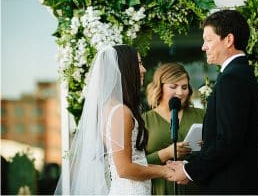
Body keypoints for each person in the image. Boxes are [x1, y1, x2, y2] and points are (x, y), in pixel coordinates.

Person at [167, 10, 258, 194]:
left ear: (228, 40)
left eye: (208, 39)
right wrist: (191, 164)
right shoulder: (238, 73)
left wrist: (189, 171)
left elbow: (228, 141)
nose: (203, 47)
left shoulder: (232, 78)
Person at [55, 45, 173, 195]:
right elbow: (124, 169)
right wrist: (164, 171)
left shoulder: (111, 108)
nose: (143, 69)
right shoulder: (120, 112)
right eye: (138, 63)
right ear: (124, 69)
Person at [143, 63, 205, 195]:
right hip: (160, 190)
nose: (180, 92)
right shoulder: (144, 121)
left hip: (197, 188)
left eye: (184, 87)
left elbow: (218, 151)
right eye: (173, 87)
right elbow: (134, 165)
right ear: (159, 87)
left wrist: (207, 146)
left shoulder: (201, 115)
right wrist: (166, 153)